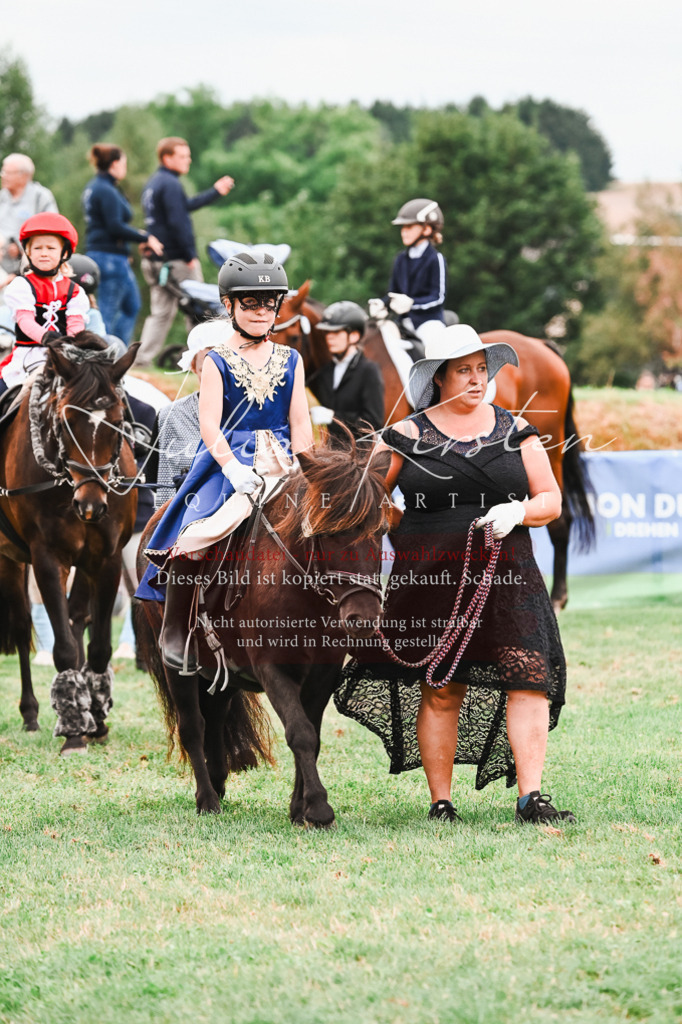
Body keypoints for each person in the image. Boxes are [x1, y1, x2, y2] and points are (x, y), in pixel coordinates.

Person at [334, 323, 575, 826]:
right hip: (430, 576)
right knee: (442, 687)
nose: (476, 379)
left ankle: (531, 797)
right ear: (438, 378)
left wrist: (519, 511)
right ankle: (441, 802)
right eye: (463, 370)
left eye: (481, 369)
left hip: (510, 575)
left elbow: (550, 499)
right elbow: (367, 499)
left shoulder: (516, 429)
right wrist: (404, 526)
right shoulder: (405, 435)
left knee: (529, 678)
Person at [136, 252, 313, 673]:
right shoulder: (216, 360)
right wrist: (233, 468)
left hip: (284, 459)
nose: (261, 311)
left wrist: (307, 469)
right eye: (250, 302)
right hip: (228, 461)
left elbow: (301, 423)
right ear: (229, 305)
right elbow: (210, 425)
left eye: (269, 303)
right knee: (194, 533)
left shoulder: (292, 359)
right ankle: (175, 627)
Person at [136, 137, 235, 366]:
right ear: (167, 158)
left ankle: (141, 360)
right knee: (201, 308)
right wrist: (190, 255)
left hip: (156, 260)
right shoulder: (170, 184)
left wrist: (214, 192)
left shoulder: (155, 183)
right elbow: (177, 222)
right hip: (176, 260)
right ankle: (206, 359)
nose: (188, 160)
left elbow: (183, 208)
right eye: (182, 156)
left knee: (161, 313)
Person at [82, 144, 163, 346]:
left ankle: (117, 350)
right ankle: (104, 355)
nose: (125, 168)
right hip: (109, 258)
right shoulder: (106, 190)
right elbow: (115, 226)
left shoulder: (95, 187)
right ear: (115, 163)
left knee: (131, 305)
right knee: (107, 311)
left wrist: (131, 243)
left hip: (106, 254)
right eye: (124, 163)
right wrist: (145, 238)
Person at [0, 213, 88, 395]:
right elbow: (25, 321)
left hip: (65, 355)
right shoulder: (22, 285)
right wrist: (46, 337)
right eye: (38, 248)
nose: (44, 253)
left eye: (51, 248)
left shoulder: (75, 291)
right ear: (28, 252)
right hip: (28, 355)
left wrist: (71, 344)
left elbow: (76, 324)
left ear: (64, 253)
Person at [149, 319, 229, 510]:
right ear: (193, 366)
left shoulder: (259, 414)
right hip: (183, 515)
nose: (217, 374)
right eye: (208, 367)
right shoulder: (171, 416)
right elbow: (154, 477)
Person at [369, 198, 447, 346]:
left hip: (428, 322)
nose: (403, 231)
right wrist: (382, 304)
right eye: (403, 227)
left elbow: (438, 298)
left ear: (426, 229)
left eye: (409, 226)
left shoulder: (435, 259)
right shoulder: (400, 259)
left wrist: (412, 304)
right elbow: (393, 293)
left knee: (435, 346)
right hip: (402, 322)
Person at [307, 300, 385, 444]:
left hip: (360, 452)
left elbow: (373, 423)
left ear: (354, 335)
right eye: (327, 332)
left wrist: (332, 418)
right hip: (330, 452)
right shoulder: (324, 372)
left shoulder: (369, 371)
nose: (329, 337)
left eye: (336, 332)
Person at [0, 154, 58, 275]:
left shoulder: (40, 197)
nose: (3, 176)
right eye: (3, 172)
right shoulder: (2, 197)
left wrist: (21, 246)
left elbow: (52, 230)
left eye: (7, 173)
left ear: (23, 175)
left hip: (28, 268)